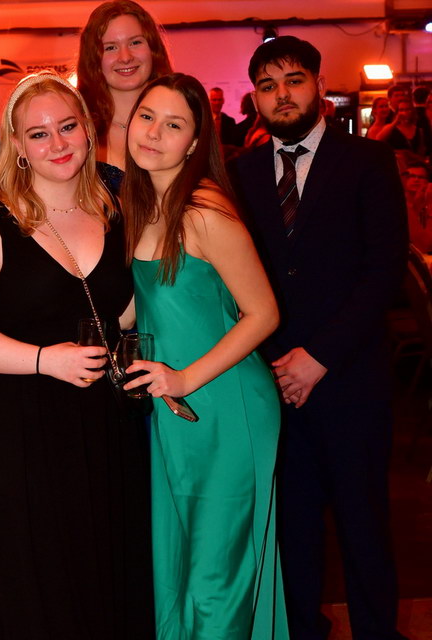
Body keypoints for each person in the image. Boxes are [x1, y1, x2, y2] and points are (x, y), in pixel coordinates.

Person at [0, 70, 154, 639]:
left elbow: (120, 310)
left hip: (102, 419)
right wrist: (44, 359)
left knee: (103, 563)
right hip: (17, 424)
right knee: (36, 573)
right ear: (17, 144)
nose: (57, 143)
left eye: (67, 127)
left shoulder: (116, 211)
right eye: (39, 134)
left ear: (88, 130)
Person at [233, 36, 408, 640]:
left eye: (294, 80)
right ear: (255, 98)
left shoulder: (368, 161)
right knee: (293, 527)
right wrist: (275, 365)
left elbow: (383, 271)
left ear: (319, 85)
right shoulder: (241, 174)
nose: (281, 94)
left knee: (364, 525)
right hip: (274, 382)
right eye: (267, 85)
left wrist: (320, 357)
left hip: (351, 377)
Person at [121, 72, 287, 640]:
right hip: (174, 408)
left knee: (215, 579)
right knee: (178, 566)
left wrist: (184, 378)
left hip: (225, 405)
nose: (153, 133)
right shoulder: (143, 203)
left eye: (173, 125)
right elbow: (143, 306)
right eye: (147, 117)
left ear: (195, 143)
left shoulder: (204, 210)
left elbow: (263, 313)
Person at [77, 0, 172, 170]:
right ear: (93, 59)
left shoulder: (183, 122)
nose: (125, 57)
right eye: (110, 48)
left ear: (153, 49)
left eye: (135, 43)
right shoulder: (78, 130)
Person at [402, 161, 432, 253]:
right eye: (411, 176)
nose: (416, 180)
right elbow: (425, 244)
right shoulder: (401, 204)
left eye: (421, 177)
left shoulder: (427, 204)